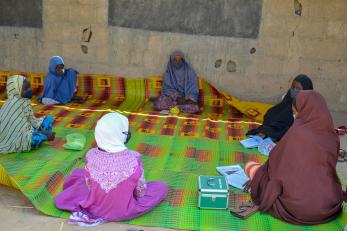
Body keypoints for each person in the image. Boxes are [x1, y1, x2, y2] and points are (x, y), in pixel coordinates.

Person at [244, 90, 344, 225]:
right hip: (326, 205)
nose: (295, 116)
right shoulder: (332, 136)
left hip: (297, 208)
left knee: (251, 167)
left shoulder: (297, 132)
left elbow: (276, 169)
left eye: (295, 112)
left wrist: (258, 180)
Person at [54, 112, 168, 226]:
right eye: (125, 131)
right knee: (160, 187)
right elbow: (140, 192)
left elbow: (89, 186)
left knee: (78, 174)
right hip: (124, 211)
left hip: (94, 208)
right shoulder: (135, 157)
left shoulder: (90, 154)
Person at [246, 74, 313, 142]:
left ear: (306, 91)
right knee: (271, 115)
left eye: (298, 89)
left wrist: (295, 114)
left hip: (295, 129)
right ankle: (269, 133)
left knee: (287, 129)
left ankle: (272, 134)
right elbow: (280, 113)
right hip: (283, 123)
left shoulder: (311, 107)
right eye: (293, 87)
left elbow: (301, 125)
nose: (294, 90)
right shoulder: (288, 98)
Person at [0, 75, 55, 154]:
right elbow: (17, 131)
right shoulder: (15, 104)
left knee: (49, 119)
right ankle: (32, 142)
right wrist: (45, 133)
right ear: (16, 90)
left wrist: (43, 132)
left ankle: (41, 136)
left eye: (29, 87)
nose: (29, 90)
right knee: (34, 139)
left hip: (25, 129)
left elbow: (31, 119)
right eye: (25, 89)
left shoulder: (24, 100)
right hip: (14, 137)